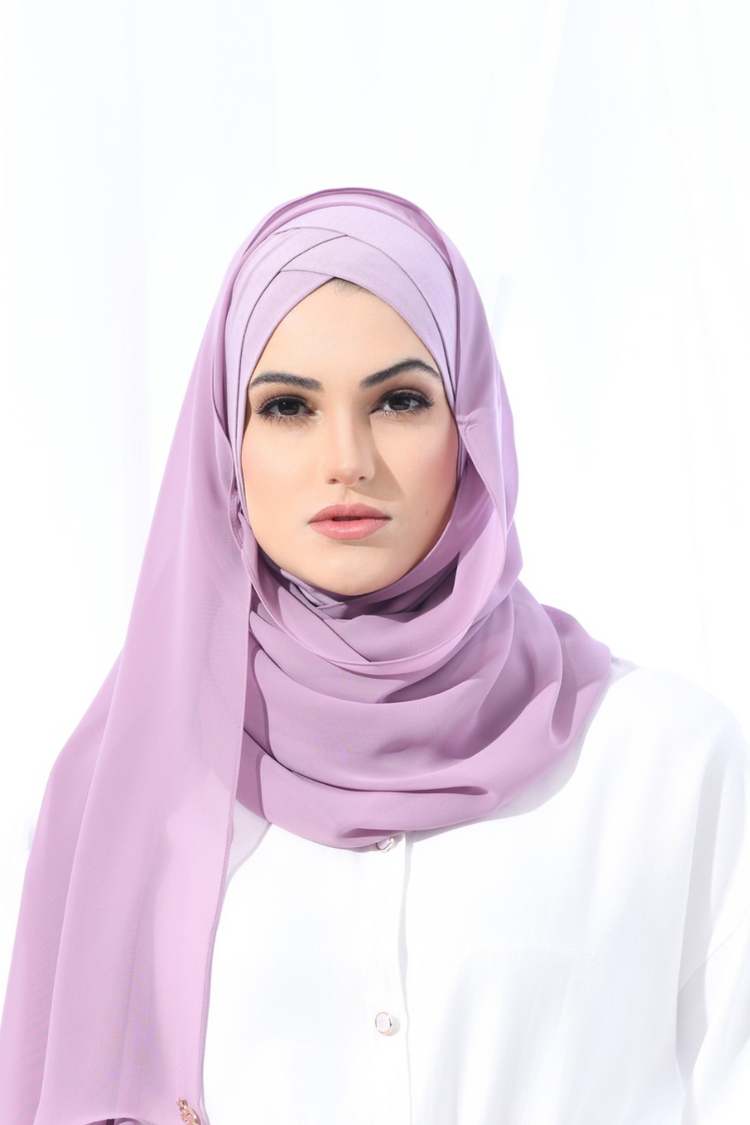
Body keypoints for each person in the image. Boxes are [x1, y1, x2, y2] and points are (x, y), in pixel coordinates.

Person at [0, 187, 748, 1125]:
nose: (346, 458)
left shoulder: (667, 763)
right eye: (288, 407)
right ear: (227, 443)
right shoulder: (127, 788)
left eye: (399, 400)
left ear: (470, 426)